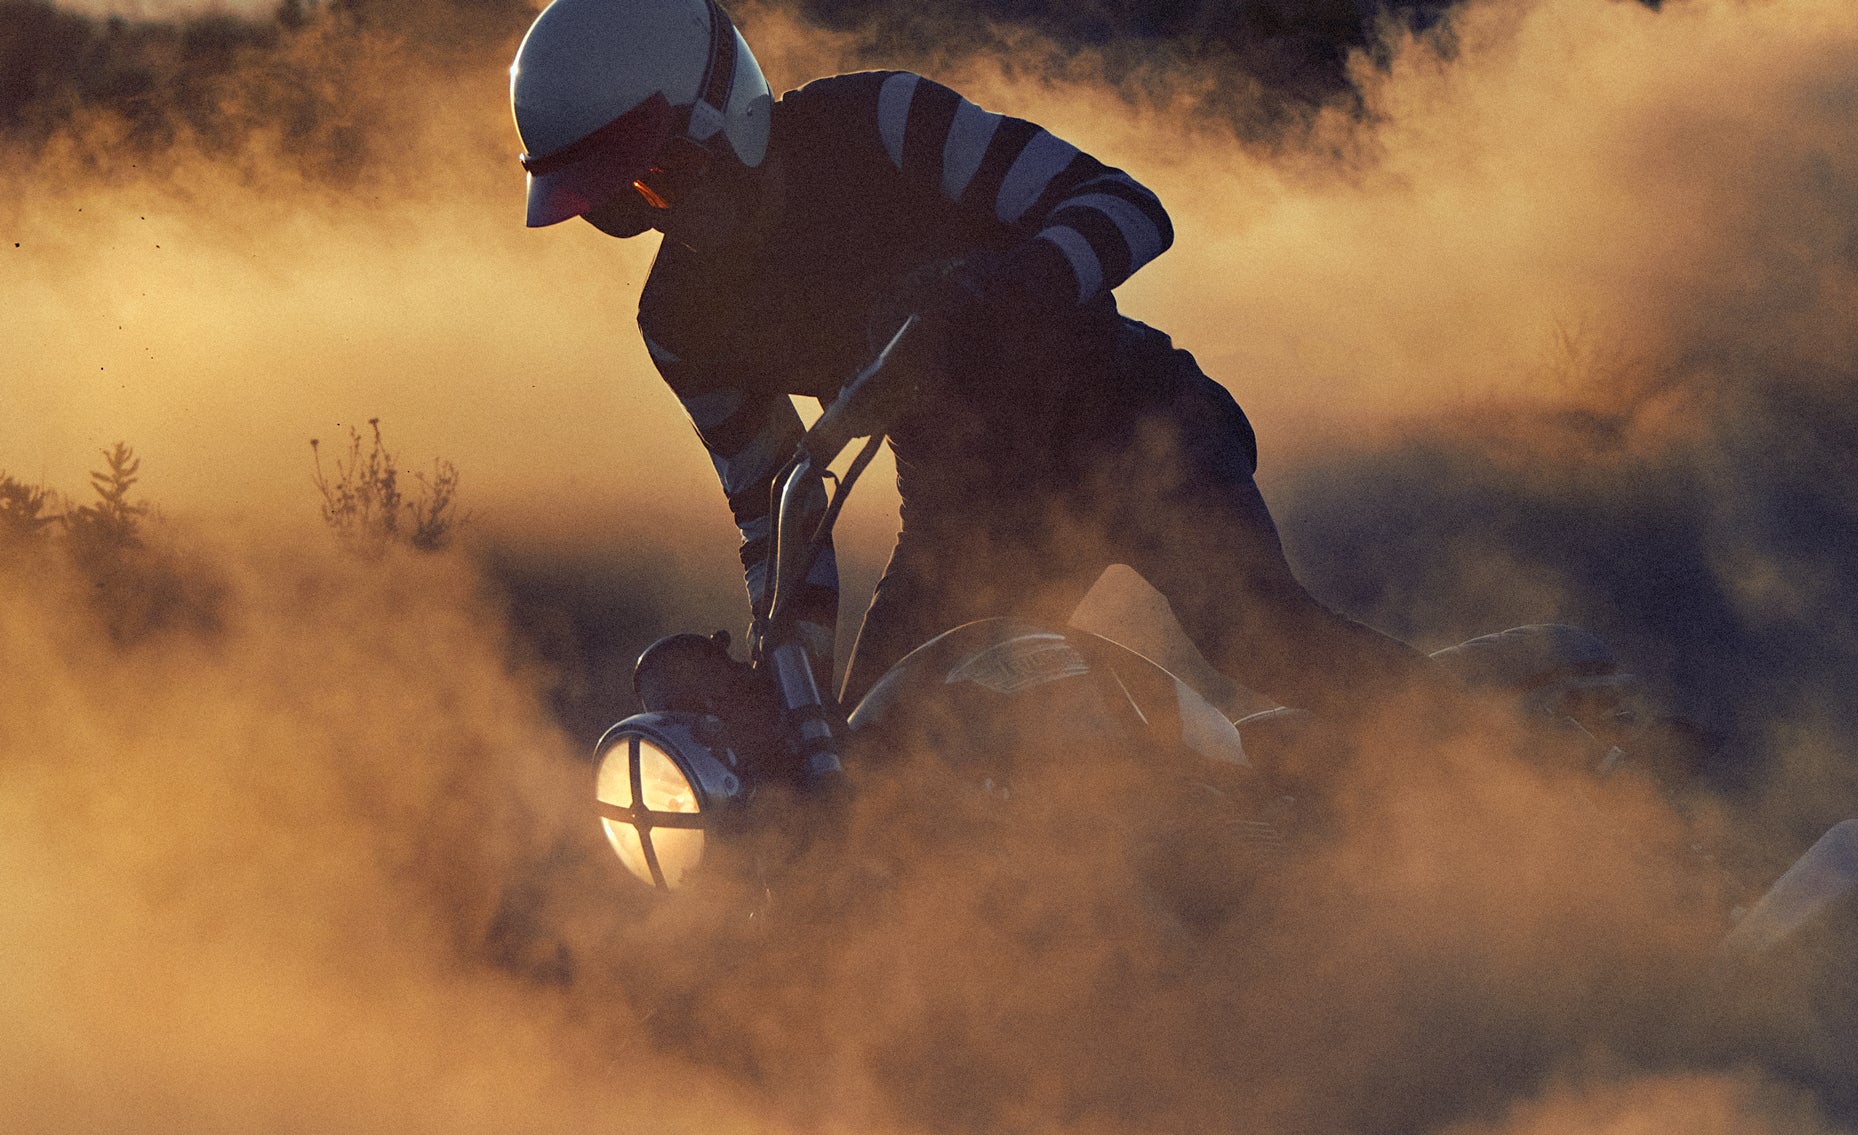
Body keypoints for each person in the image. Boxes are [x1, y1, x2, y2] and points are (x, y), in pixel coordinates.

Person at [509, 0, 1442, 719]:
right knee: (885, 759)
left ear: (718, 108)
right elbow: (776, 523)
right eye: (616, 209)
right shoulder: (680, 319)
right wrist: (781, 686)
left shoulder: (879, 120)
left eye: (655, 178)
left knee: (1259, 644)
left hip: (1135, 423)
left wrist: (1000, 287)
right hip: (965, 508)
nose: (655, 217)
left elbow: (1127, 207)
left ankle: (1512, 753)